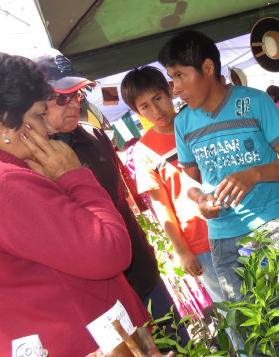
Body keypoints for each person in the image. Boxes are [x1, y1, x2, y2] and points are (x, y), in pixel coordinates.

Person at [32, 49, 190, 344]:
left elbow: (123, 203)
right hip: (101, 296)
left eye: (77, 94)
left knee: (181, 344)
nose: (74, 103)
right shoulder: (33, 158)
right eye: (62, 97)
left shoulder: (95, 135)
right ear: (38, 103)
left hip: (144, 273)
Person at [157, 31, 279, 326]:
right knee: (253, 331)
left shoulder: (254, 102)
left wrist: (253, 174)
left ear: (206, 68)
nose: (175, 89)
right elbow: (190, 182)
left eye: (180, 76)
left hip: (270, 230)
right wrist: (200, 199)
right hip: (222, 242)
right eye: (171, 78)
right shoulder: (184, 123)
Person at [0, 52, 149, 355]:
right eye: (40, 115)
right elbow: (108, 251)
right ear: (4, 124)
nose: (47, 129)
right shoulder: (8, 184)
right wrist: (74, 177)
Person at [120, 66, 223, 303]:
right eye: (144, 106)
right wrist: (181, 250)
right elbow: (161, 207)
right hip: (199, 240)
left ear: (169, 91)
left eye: (158, 99)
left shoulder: (200, 120)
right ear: (136, 111)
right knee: (233, 311)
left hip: (236, 221)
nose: (156, 110)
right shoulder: (144, 151)